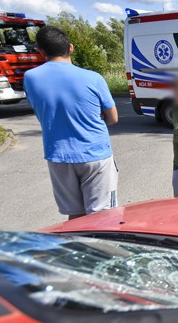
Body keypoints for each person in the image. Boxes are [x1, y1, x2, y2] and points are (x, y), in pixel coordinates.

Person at [24, 26, 118, 220]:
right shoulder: (93, 78)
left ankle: (78, 248)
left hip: (59, 156)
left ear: (41, 51)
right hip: (95, 154)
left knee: (75, 215)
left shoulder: (30, 78)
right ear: (71, 48)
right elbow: (113, 118)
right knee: (102, 216)